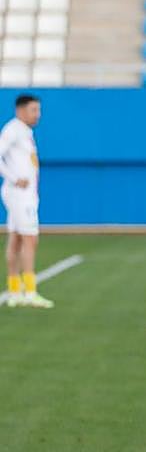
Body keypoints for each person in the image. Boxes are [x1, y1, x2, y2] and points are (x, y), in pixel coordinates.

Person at [0, 94, 52, 308]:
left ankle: (14, 291)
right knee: (30, 239)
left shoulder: (25, 132)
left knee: (17, 238)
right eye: (34, 110)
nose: (37, 115)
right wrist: (13, 177)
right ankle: (30, 291)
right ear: (21, 110)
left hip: (24, 194)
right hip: (19, 193)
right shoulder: (13, 130)